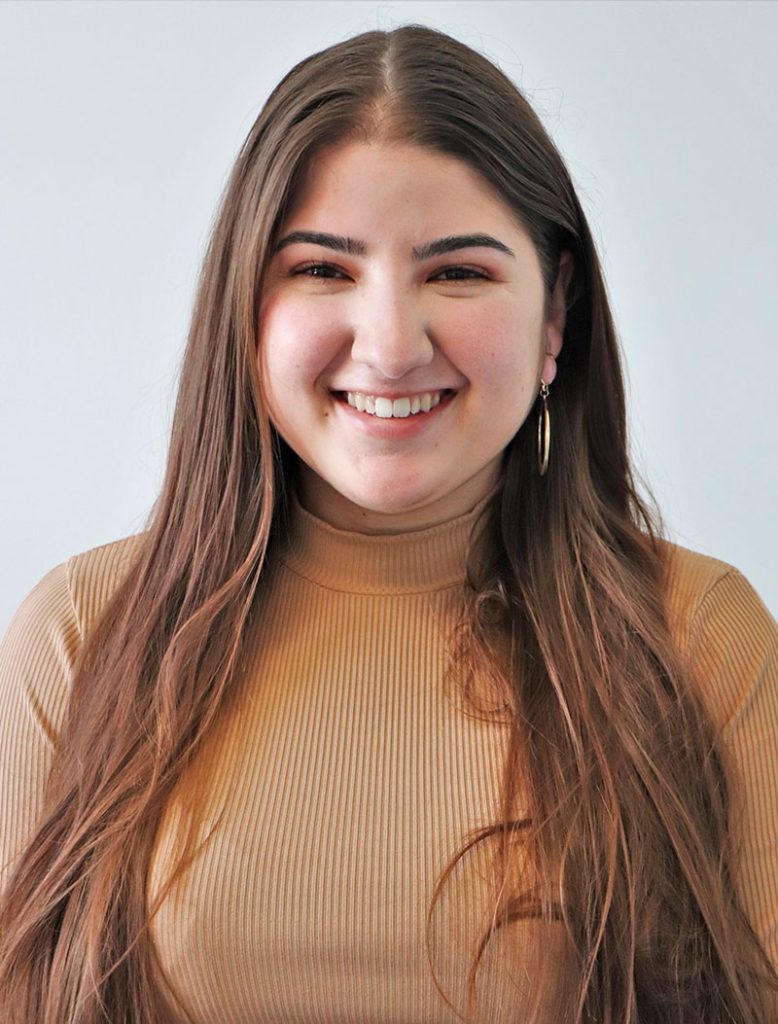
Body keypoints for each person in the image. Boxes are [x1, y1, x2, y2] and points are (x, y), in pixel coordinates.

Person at [0, 23, 776, 1024]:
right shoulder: (80, 632)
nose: (391, 344)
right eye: (323, 270)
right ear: (245, 307)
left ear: (555, 313)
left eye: (457, 273)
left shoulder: (700, 636)